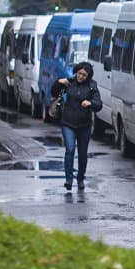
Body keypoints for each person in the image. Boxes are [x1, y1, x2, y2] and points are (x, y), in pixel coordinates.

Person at [52, 62, 102, 190]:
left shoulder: (92, 86)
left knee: (82, 153)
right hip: (68, 122)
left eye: (84, 75)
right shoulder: (70, 82)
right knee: (70, 149)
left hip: (84, 125)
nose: (80, 76)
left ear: (88, 76)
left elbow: (99, 104)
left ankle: (80, 178)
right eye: (79, 73)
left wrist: (90, 103)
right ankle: (69, 179)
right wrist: (59, 82)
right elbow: (54, 92)